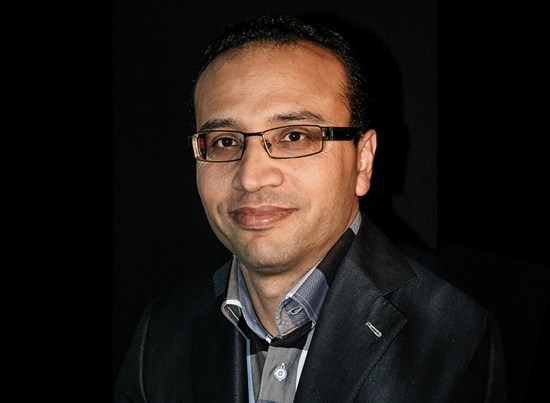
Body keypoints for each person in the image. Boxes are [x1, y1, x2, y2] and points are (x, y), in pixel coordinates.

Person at [114, 14, 507, 402]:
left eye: (294, 136)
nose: (251, 177)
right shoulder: (161, 333)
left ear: (362, 161)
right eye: (225, 141)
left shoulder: (458, 339)